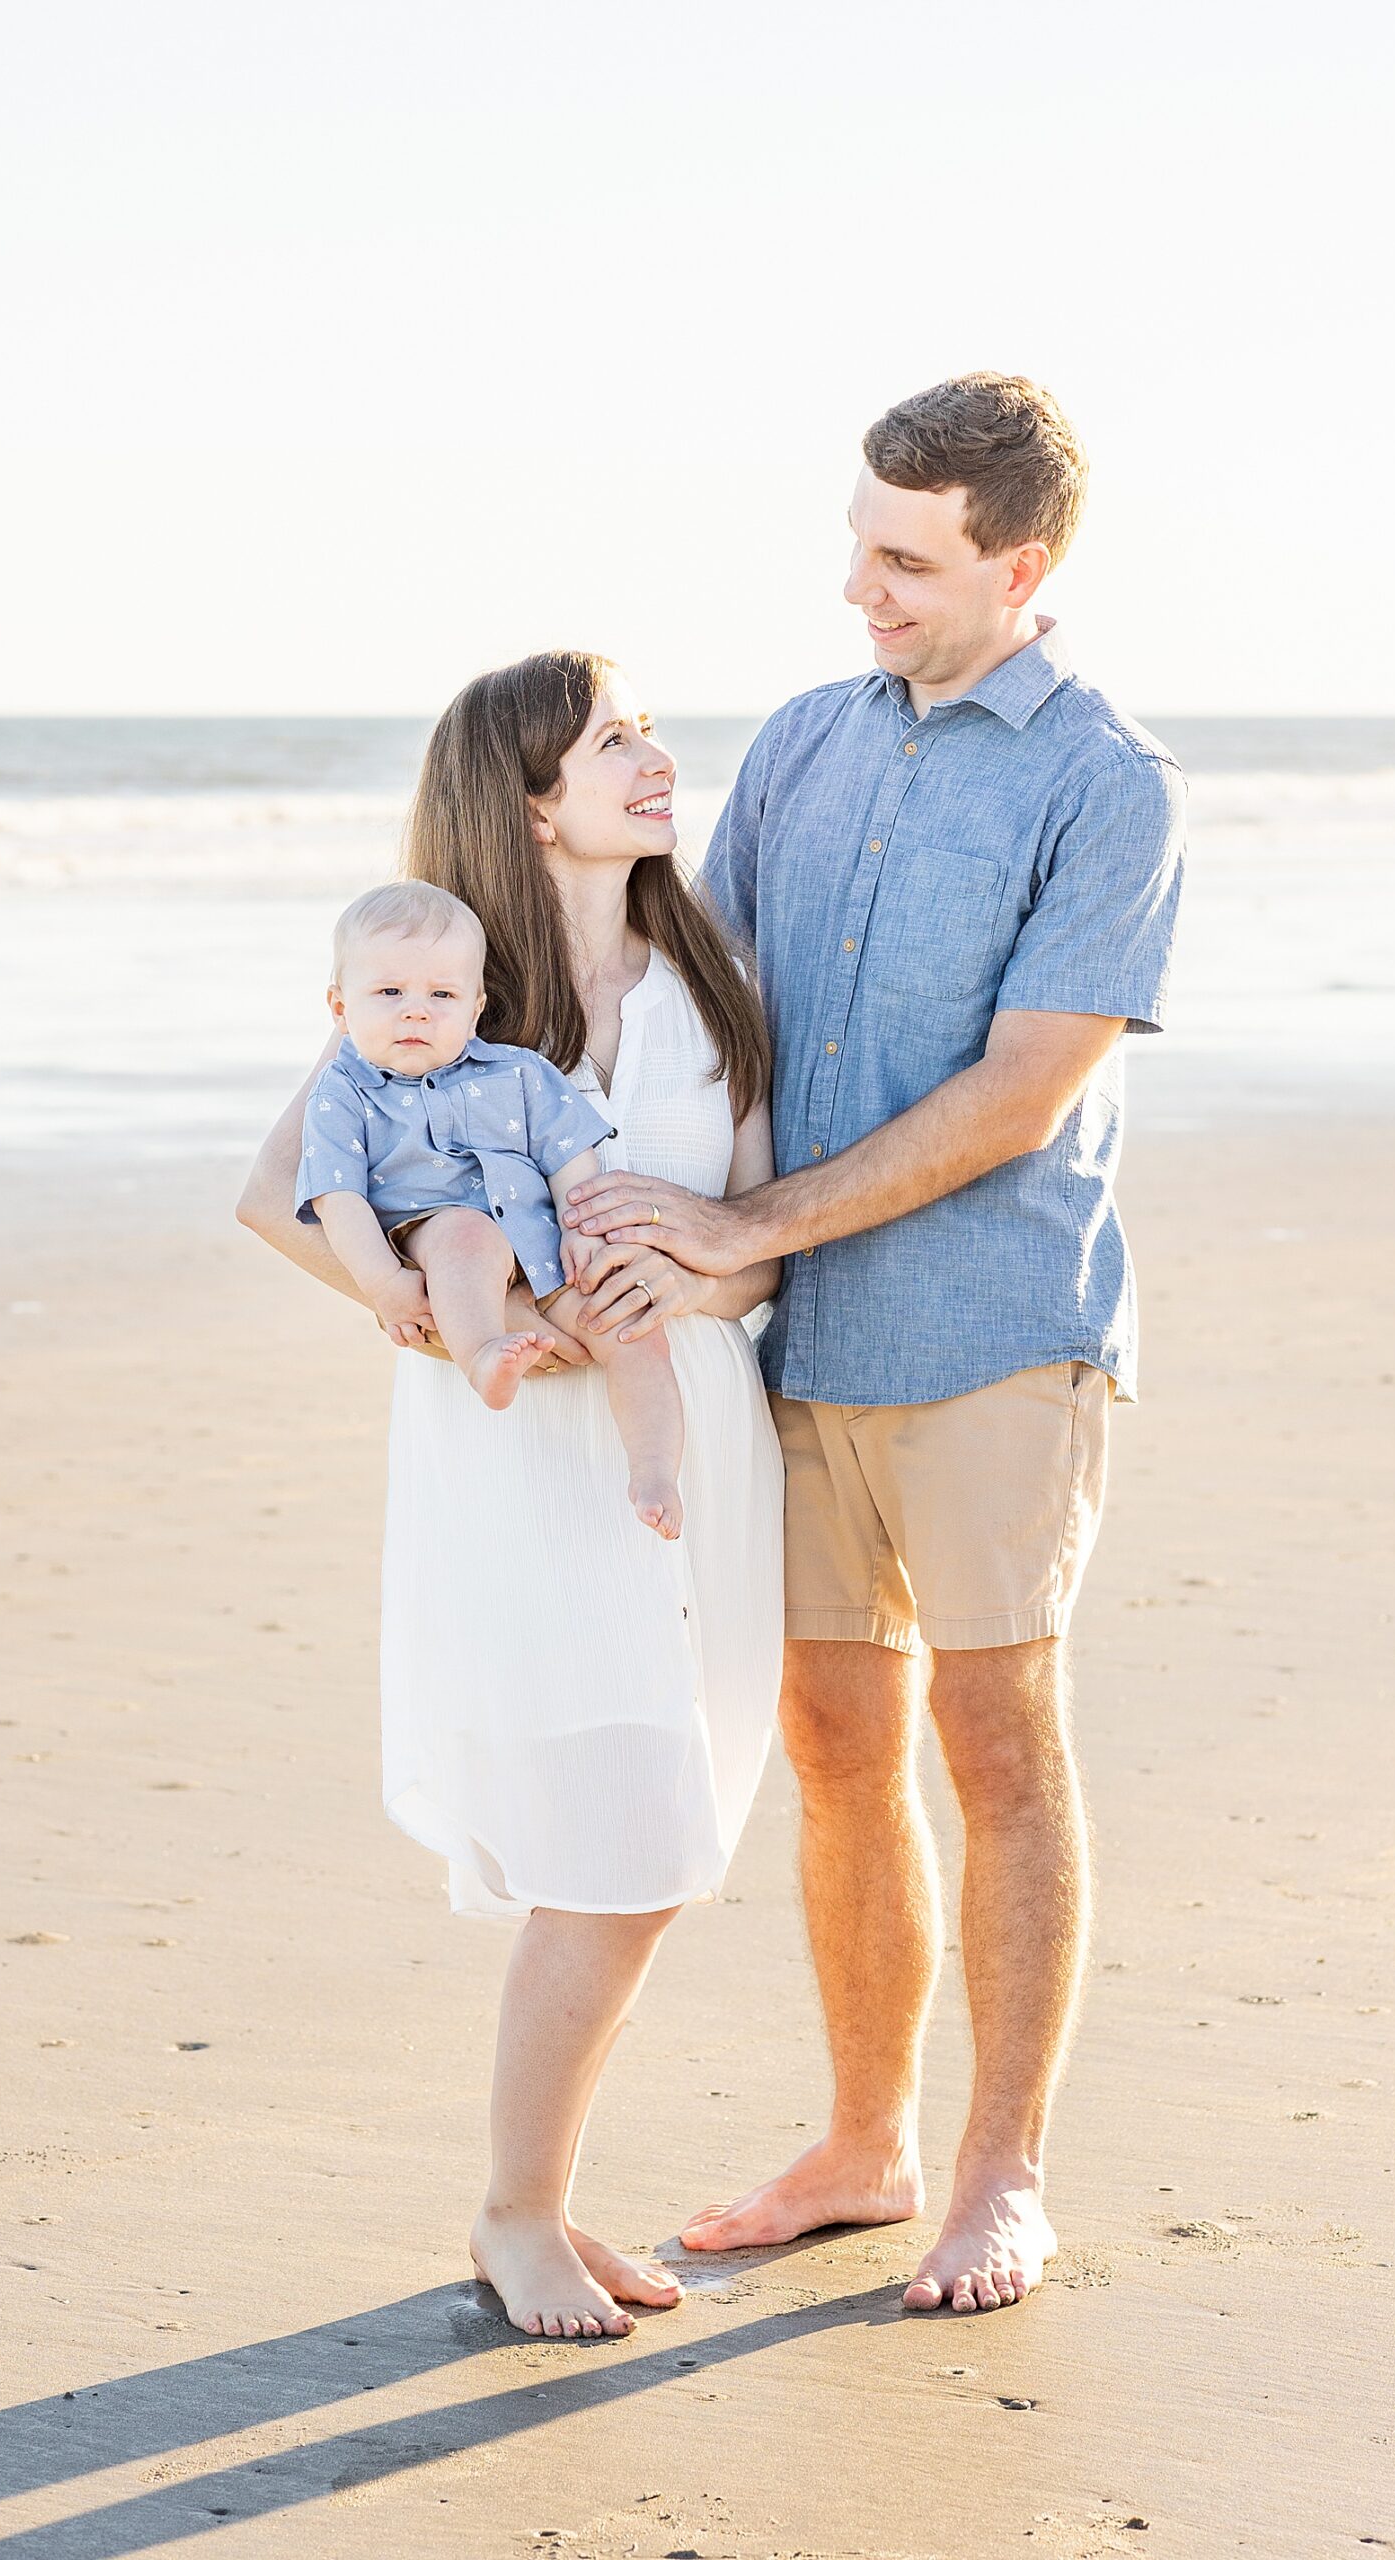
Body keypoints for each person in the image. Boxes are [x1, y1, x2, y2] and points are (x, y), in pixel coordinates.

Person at [563, 372, 1186, 2316]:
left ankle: (998, 2170)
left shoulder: (1105, 778)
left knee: (991, 1734)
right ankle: (863, 2139)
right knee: (833, 1739)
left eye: (904, 558)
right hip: (801, 1335)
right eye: (855, 541)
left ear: (1021, 562)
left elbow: (1022, 1088)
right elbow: (696, 1007)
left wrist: (751, 1225)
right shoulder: (808, 745)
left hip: (997, 1321)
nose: (860, 587)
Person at [237, 652, 783, 2338]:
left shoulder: (711, 974)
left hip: (687, 1441)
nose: (653, 758)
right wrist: (459, 1317)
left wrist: (688, 1295)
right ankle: (516, 2212)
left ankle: (539, 2197)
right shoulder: (441, 994)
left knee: (648, 1848)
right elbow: (280, 1196)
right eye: (613, 740)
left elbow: (751, 1233)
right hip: (514, 1457)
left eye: (641, 732)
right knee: (613, 1852)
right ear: (530, 794)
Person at [296, 879, 688, 1536]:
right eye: (389, 993)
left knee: (632, 1326)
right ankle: (482, 1353)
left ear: (476, 1008)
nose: (416, 1012)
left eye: (441, 995)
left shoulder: (517, 1073)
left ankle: (654, 1468)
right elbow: (338, 1198)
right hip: (441, 1236)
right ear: (340, 1007)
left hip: (540, 1246)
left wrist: (580, 1231)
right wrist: (385, 1284)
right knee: (464, 1234)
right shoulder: (343, 1092)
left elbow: (569, 1154)